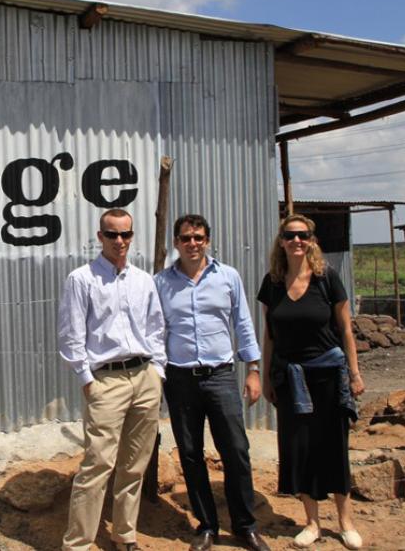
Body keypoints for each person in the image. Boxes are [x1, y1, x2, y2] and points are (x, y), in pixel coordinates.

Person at [155, 215, 272, 551]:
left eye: (199, 238)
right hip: (180, 378)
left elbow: (243, 322)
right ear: (176, 242)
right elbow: (156, 331)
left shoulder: (227, 276)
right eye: (186, 238)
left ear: (208, 240)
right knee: (191, 454)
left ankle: (245, 526)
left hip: (220, 375)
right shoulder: (161, 282)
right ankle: (206, 526)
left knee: (236, 450)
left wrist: (252, 368)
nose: (193, 243)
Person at [57, 208, 167, 551]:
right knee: (98, 464)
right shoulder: (82, 279)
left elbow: (157, 329)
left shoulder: (143, 280)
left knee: (134, 465)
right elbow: (70, 335)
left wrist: (158, 372)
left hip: (145, 377)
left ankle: (125, 535)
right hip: (106, 382)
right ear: (100, 236)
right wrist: (87, 379)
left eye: (125, 234)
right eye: (112, 234)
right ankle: (78, 543)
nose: (120, 241)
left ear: (132, 236)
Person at [256, 214, 366, 550]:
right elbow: (270, 336)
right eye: (290, 236)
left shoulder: (326, 279)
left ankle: (346, 522)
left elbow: (345, 329)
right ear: (282, 241)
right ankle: (312, 522)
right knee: (300, 449)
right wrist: (266, 375)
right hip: (290, 378)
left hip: (328, 377)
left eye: (303, 235)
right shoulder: (272, 284)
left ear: (312, 240)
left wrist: (354, 372)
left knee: (332, 446)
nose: (296, 241)